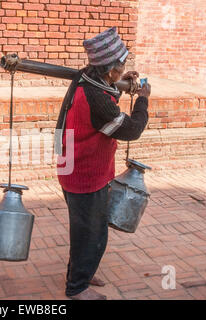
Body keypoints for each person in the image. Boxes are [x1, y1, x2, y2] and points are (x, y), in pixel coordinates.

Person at [55, 27, 152, 300]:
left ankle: (81, 273)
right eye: (121, 68)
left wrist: (122, 83)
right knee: (90, 231)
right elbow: (131, 129)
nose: (123, 72)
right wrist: (142, 100)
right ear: (110, 70)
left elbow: (105, 101)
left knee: (87, 227)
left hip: (75, 166)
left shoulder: (87, 78)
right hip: (84, 173)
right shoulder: (97, 98)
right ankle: (77, 288)